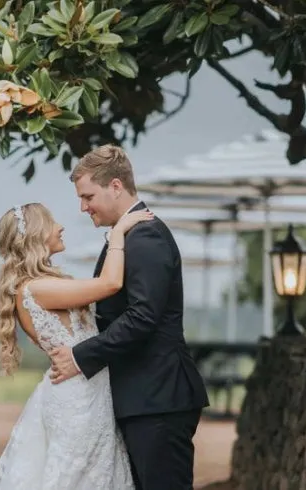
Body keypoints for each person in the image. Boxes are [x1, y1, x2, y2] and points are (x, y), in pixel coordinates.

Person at [49, 144, 210, 490]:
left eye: (88, 195)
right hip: (145, 397)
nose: (83, 206)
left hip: (158, 398)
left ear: (116, 186)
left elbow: (143, 317)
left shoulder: (146, 235)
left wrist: (80, 357)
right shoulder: (127, 235)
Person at [0, 201, 153, 489]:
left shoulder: (35, 286)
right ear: (36, 236)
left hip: (84, 392)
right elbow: (110, 284)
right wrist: (118, 233)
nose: (60, 226)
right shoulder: (37, 289)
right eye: (52, 222)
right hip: (77, 400)